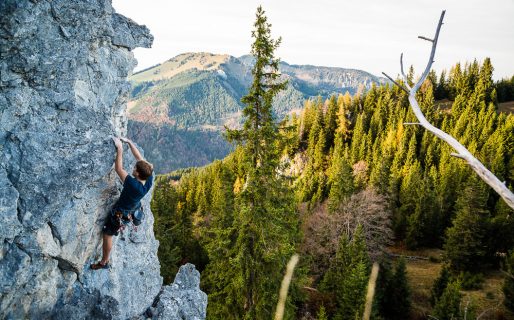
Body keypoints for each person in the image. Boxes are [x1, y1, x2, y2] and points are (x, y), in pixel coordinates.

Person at [91, 137, 154, 270]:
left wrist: (120, 148)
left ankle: (104, 262)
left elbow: (118, 168)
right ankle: (105, 260)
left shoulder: (132, 184)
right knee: (111, 232)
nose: (133, 167)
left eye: (134, 168)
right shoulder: (149, 179)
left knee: (108, 235)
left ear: (137, 173)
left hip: (119, 213)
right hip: (130, 210)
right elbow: (140, 158)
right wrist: (130, 143)